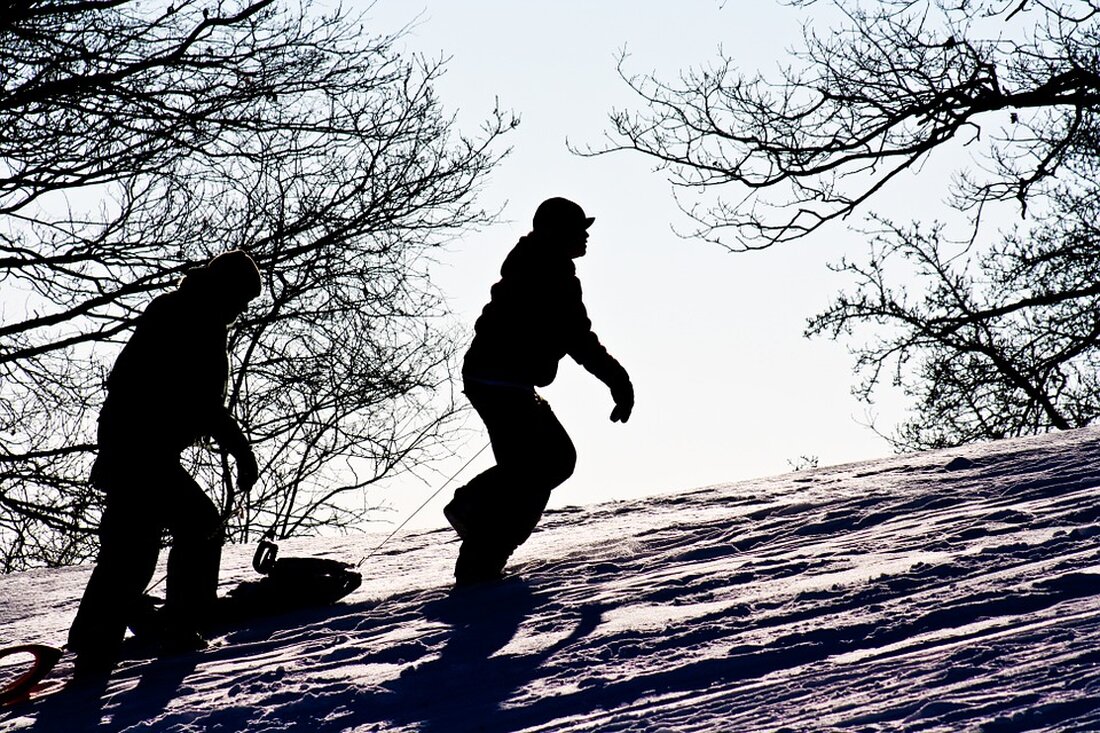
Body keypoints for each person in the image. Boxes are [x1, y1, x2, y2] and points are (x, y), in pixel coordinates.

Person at [67, 250, 262, 680]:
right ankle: (179, 626)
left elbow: (197, 403)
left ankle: (96, 643)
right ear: (224, 289)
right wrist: (240, 450)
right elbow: (200, 402)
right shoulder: (190, 319)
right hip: (141, 451)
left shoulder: (185, 312)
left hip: (136, 450)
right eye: (240, 299)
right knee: (198, 525)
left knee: (129, 551)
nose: (241, 310)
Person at [444, 197, 634, 587]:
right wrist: (618, 381)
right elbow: (578, 339)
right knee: (542, 466)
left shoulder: (541, 265)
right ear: (555, 232)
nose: (585, 236)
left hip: (500, 380)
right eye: (578, 229)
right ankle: (480, 551)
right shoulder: (548, 273)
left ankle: (475, 526)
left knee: (542, 464)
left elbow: (571, 336)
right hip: (499, 381)